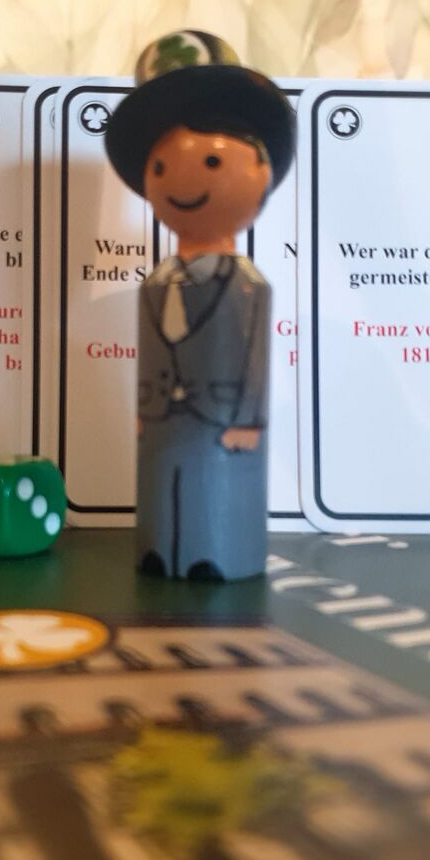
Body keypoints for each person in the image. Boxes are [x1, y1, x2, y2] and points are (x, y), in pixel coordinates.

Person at [104, 30, 295, 581]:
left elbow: (253, 359)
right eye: (160, 168)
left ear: (261, 174)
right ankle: (161, 552)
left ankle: (215, 556)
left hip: (224, 420)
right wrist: (142, 412)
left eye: (214, 162)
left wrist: (249, 421)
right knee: (164, 482)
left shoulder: (247, 286)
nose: (180, 181)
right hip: (160, 417)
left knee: (217, 488)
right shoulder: (156, 283)